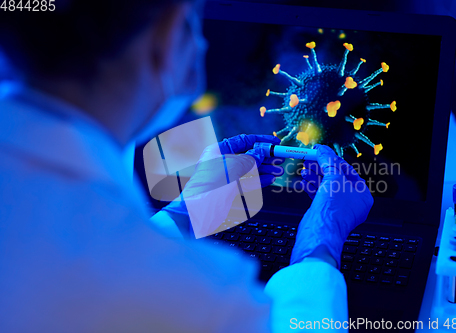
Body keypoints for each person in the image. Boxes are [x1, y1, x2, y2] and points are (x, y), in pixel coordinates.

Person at [0, 0, 373, 332]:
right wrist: (318, 247)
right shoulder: (203, 297)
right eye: (193, 22)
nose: (201, 44)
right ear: (168, 30)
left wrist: (183, 216)